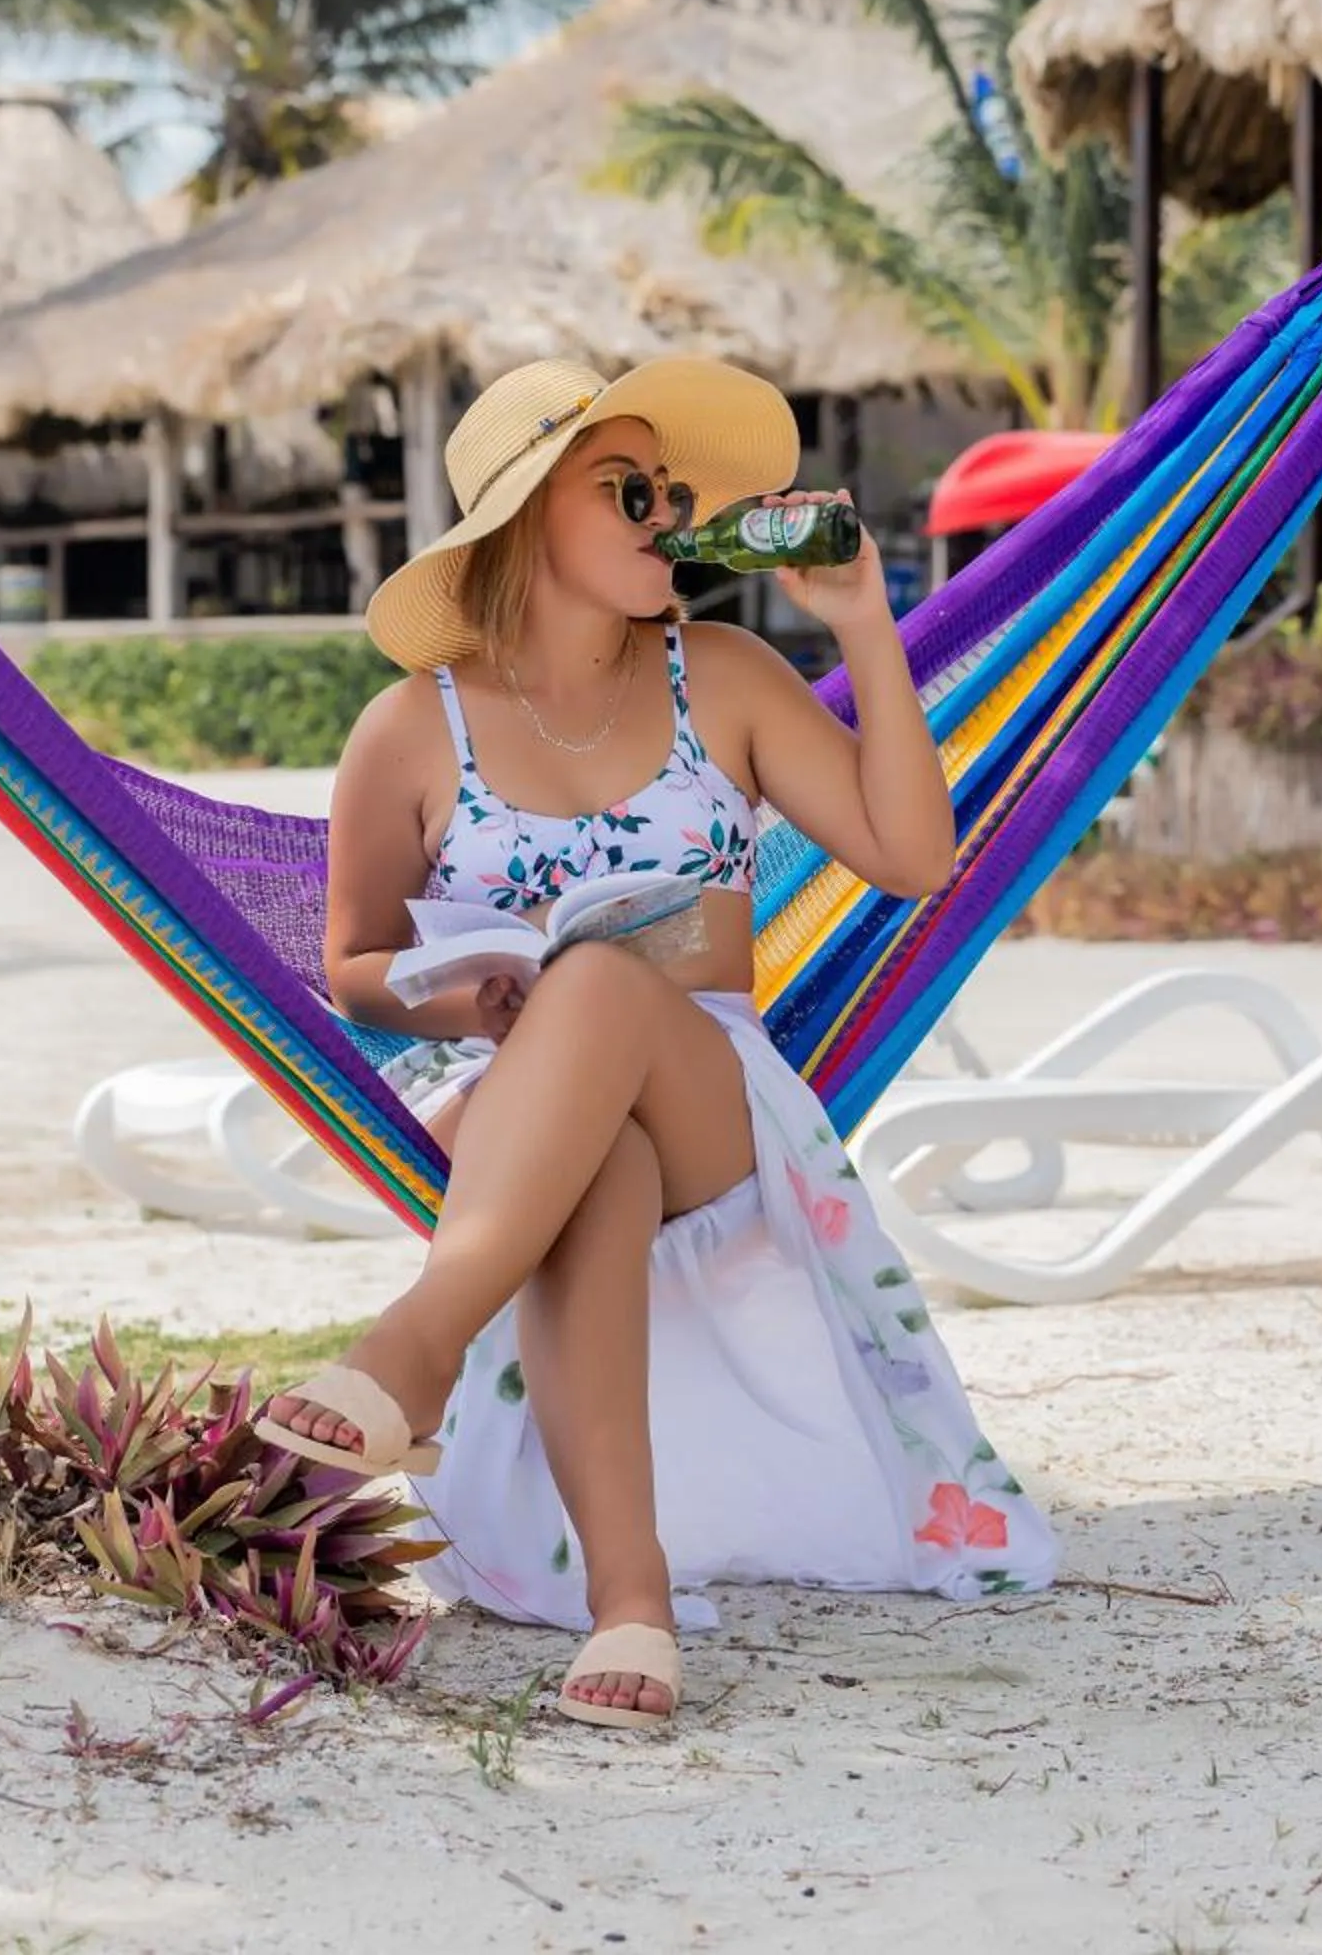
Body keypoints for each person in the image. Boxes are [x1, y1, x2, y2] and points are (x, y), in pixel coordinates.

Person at [254, 356, 1057, 1731]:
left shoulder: (724, 678)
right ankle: (632, 1601)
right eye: (626, 488)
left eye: (670, 491)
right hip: (500, 1098)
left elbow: (915, 857)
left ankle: (419, 1347)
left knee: (615, 987)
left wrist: (866, 621)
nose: (665, 512)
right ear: (524, 520)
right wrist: (463, 995)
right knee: (597, 1156)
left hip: (707, 1093)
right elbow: (351, 969)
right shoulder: (409, 731)